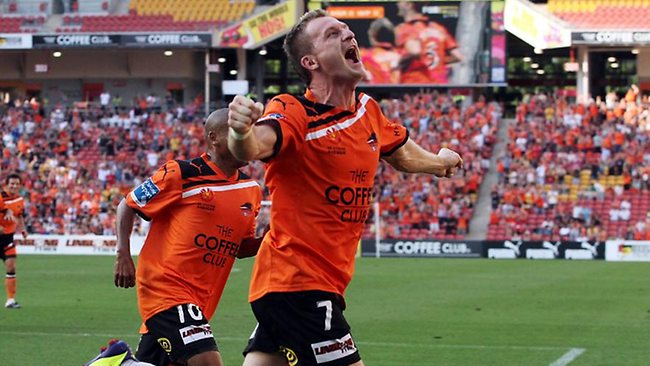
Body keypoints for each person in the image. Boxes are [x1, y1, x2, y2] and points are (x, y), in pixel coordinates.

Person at [227, 9, 463, 366]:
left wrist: (441, 162)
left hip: (301, 286)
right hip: (297, 283)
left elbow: (402, 155)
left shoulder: (367, 110)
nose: (348, 34)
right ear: (311, 61)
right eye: (332, 34)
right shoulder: (295, 111)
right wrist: (240, 131)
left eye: (346, 29)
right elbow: (254, 145)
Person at [114, 108, 263, 366]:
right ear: (214, 137)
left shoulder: (251, 190)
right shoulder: (181, 173)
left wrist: (274, 235)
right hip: (166, 288)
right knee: (207, 362)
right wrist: (123, 253)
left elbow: (240, 248)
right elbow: (128, 205)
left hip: (202, 298)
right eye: (237, 131)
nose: (245, 138)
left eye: (248, 131)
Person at [394, 1, 463, 84]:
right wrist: (437, 60)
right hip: (439, 86)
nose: (397, 3)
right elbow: (457, 56)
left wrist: (397, 62)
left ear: (408, 5)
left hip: (414, 87)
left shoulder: (404, 29)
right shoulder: (438, 28)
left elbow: (415, 51)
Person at [1, 173, 25, 309]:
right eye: (12, 183)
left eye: (17, 184)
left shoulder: (20, 199)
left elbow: (19, 215)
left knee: (11, 266)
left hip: (7, 238)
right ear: (7, 184)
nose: (14, 186)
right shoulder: (0, 197)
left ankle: (10, 300)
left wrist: (23, 229)